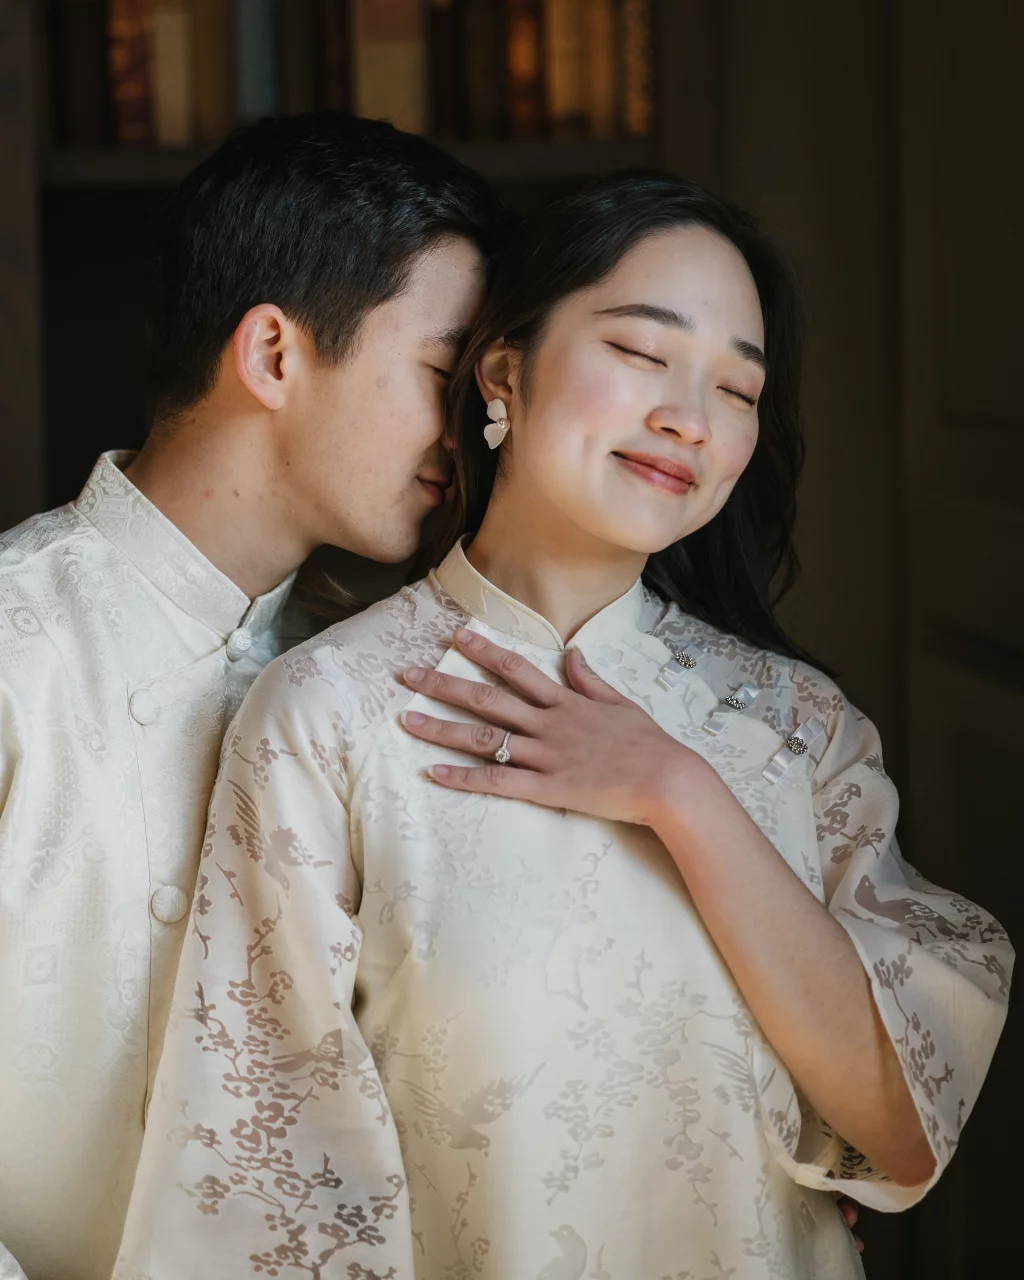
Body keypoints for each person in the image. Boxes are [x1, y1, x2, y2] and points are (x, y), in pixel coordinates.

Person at [116, 174, 1010, 1280]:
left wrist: (678, 792)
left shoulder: (797, 727)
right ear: (504, 371)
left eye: (738, 388)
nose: (689, 418)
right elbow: (265, 1186)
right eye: (640, 352)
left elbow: (903, 1127)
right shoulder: (330, 712)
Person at [0, 112, 504, 1280]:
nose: (470, 432)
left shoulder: (369, 682)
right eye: (443, 375)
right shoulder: (16, 648)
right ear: (273, 353)